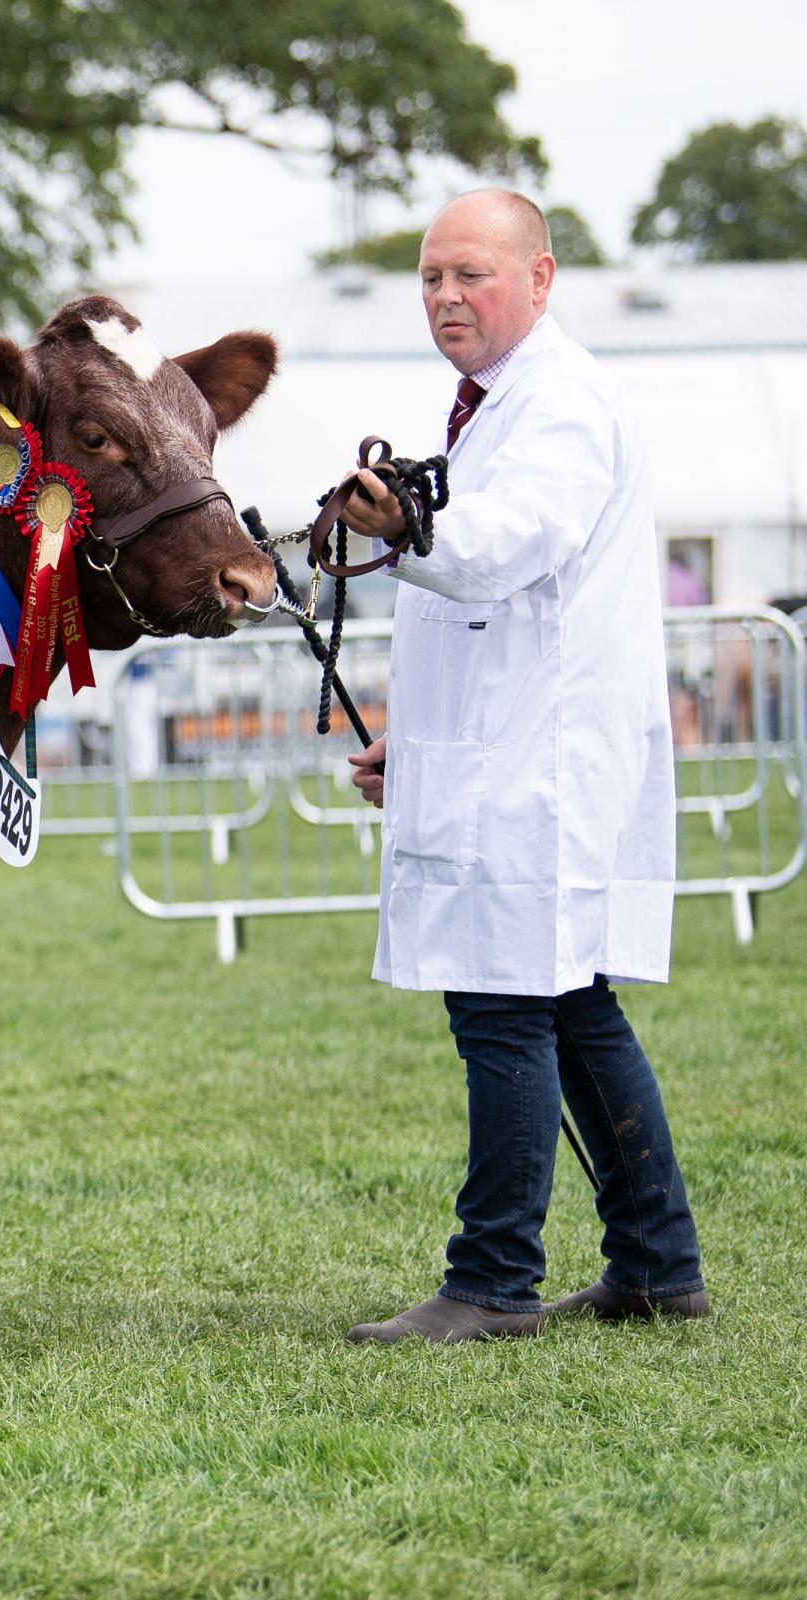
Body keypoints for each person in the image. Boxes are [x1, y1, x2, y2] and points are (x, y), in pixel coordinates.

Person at [336, 190, 705, 1344]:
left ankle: (493, 1278)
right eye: (432, 276)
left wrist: (402, 525)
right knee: (575, 1006)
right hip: (508, 753)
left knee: (504, 1007)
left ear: (539, 279)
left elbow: (510, 545)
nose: (446, 295)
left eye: (472, 275)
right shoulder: (495, 408)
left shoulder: (562, 406)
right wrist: (424, 735)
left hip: (538, 770)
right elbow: (496, 612)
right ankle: (657, 1262)